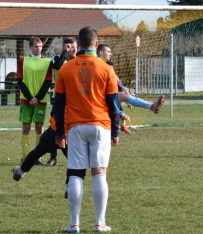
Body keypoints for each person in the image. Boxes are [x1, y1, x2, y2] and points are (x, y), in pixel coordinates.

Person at [54, 26, 129, 233]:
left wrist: (59, 132)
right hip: (101, 126)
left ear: (78, 44)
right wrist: (115, 132)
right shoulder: (107, 69)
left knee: (76, 173)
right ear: (96, 44)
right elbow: (114, 105)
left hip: (75, 127)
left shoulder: (66, 69)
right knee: (99, 173)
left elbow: (58, 105)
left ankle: (74, 223)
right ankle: (99, 222)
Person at [97, 44, 165, 134]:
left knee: (122, 98)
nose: (111, 54)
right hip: (98, 97)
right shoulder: (97, 65)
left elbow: (115, 83)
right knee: (120, 100)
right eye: (108, 52)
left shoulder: (104, 66)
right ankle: (149, 107)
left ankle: (122, 124)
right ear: (101, 53)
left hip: (105, 95)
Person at [17, 37, 52, 165]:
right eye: (36, 46)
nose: (39, 49)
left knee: (39, 128)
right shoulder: (23, 61)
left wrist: (36, 98)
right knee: (26, 128)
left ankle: (37, 157)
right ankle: (26, 157)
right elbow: (20, 80)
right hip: (26, 100)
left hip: (40, 100)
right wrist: (29, 98)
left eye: (40, 46)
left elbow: (48, 81)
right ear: (30, 47)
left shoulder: (47, 62)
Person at [45, 38, 77, 167]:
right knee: (55, 127)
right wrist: (64, 53)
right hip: (59, 99)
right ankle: (53, 157)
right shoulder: (57, 58)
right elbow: (57, 66)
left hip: (74, 100)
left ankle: (74, 156)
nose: (73, 49)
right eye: (70, 47)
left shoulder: (79, 61)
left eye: (74, 47)